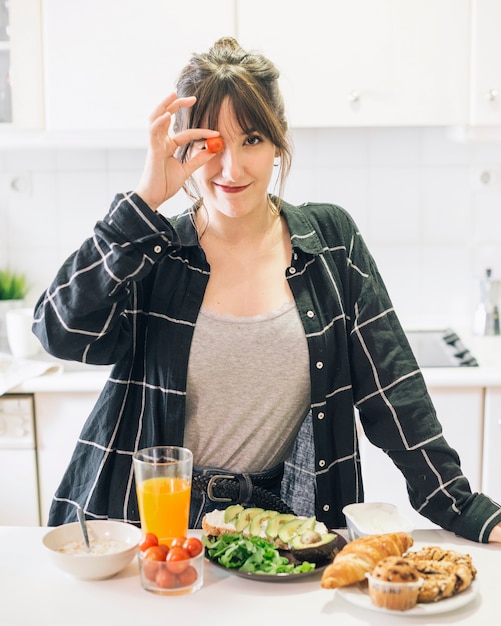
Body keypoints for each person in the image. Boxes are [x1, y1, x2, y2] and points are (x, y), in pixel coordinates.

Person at [34, 37, 501, 543]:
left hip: (282, 525)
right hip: (148, 528)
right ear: (185, 146)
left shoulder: (330, 243)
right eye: (212, 144)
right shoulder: (155, 250)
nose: (232, 169)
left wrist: (469, 510)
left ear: (278, 142)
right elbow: (60, 332)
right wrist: (143, 202)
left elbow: (395, 395)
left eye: (252, 139)